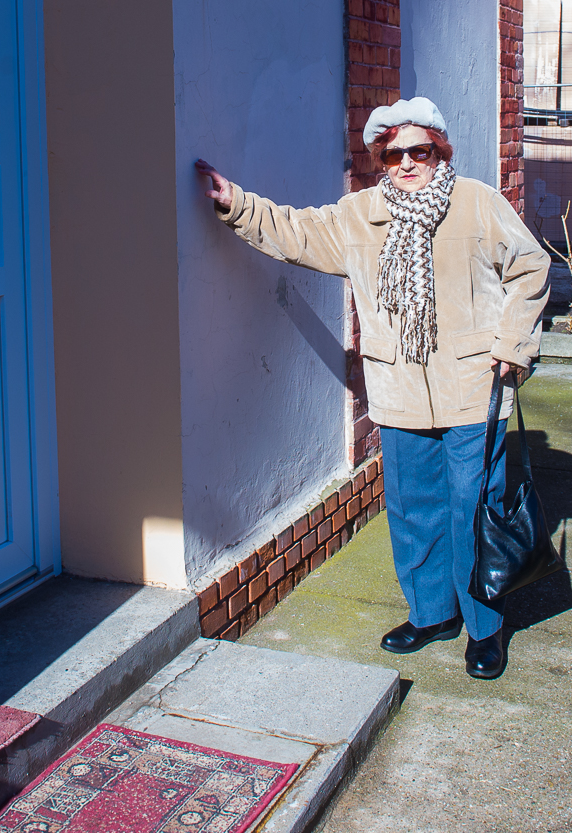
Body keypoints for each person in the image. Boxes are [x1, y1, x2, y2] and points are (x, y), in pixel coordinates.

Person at [195, 97, 550, 678]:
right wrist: (237, 204)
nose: (408, 162)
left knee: (472, 507)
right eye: (394, 154)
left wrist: (512, 344)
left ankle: (485, 627)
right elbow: (297, 230)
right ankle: (432, 612)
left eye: (420, 151)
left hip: (473, 385)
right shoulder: (359, 215)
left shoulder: (477, 203)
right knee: (412, 509)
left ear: (440, 153)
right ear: (380, 160)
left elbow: (531, 267)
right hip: (398, 387)